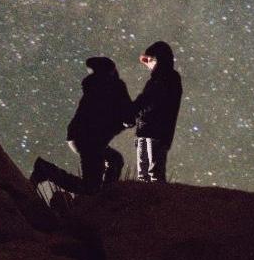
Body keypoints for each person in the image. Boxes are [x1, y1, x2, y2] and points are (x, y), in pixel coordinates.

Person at [30, 56, 132, 195]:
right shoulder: (112, 87)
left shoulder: (96, 86)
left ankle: (104, 195)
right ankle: (46, 170)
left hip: (82, 137)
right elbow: (124, 114)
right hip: (88, 139)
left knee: (115, 160)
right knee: (90, 187)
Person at [131, 41, 183, 182]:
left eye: (150, 60)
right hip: (145, 131)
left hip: (157, 133)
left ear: (159, 59)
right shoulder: (156, 80)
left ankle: (156, 202)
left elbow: (150, 101)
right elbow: (145, 100)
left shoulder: (169, 79)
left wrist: (133, 112)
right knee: (144, 175)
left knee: (154, 175)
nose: (147, 64)